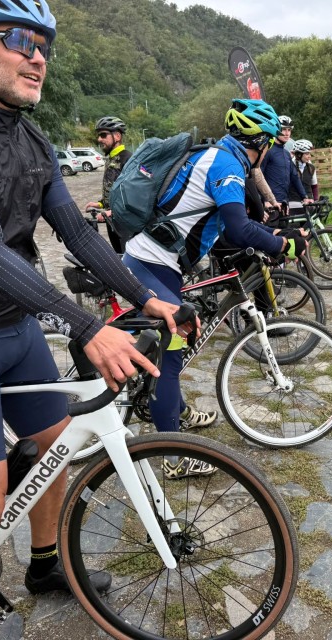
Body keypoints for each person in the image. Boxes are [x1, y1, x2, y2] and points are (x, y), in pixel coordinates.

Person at [0, 2, 184, 637]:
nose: (37, 56)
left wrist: (144, 296)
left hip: (17, 327)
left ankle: (45, 565)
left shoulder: (33, 139)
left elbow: (78, 233)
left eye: (44, 44)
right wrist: (87, 326)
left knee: (55, 447)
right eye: (20, 39)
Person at [122, 99, 308, 478]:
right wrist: (283, 245)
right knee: (168, 362)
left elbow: (229, 224)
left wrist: (274, 233)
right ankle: (173, 459)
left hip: (159, 263)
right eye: (271, 143)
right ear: (263, 143)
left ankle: (177, 411)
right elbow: (238, 228)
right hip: (152, 264)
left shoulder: (218, 155)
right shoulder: (227, 165)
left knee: (171, 350)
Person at [85, 116, 132, 253]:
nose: (99, 139)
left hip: (125, 224)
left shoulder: (128, 159)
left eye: (103, 135)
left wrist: (113, 212)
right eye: (99, 136)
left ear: (117, 136)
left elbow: (135, 195)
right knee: (118, 256)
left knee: (127, 259)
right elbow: (115, 189)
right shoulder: (111, 158)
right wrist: (100, 203)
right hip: (112, 221)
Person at [261, 115, 312, 223]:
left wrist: (304, 197)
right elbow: (258, 176)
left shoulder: (286, 154)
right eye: (283, 129)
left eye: (289, 130)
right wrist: (264, 200)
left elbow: (294, 177)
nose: (287, 133)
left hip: (284, 203)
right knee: (273, 233)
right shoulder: (268, 151)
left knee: (286, 232)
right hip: (270, 205)